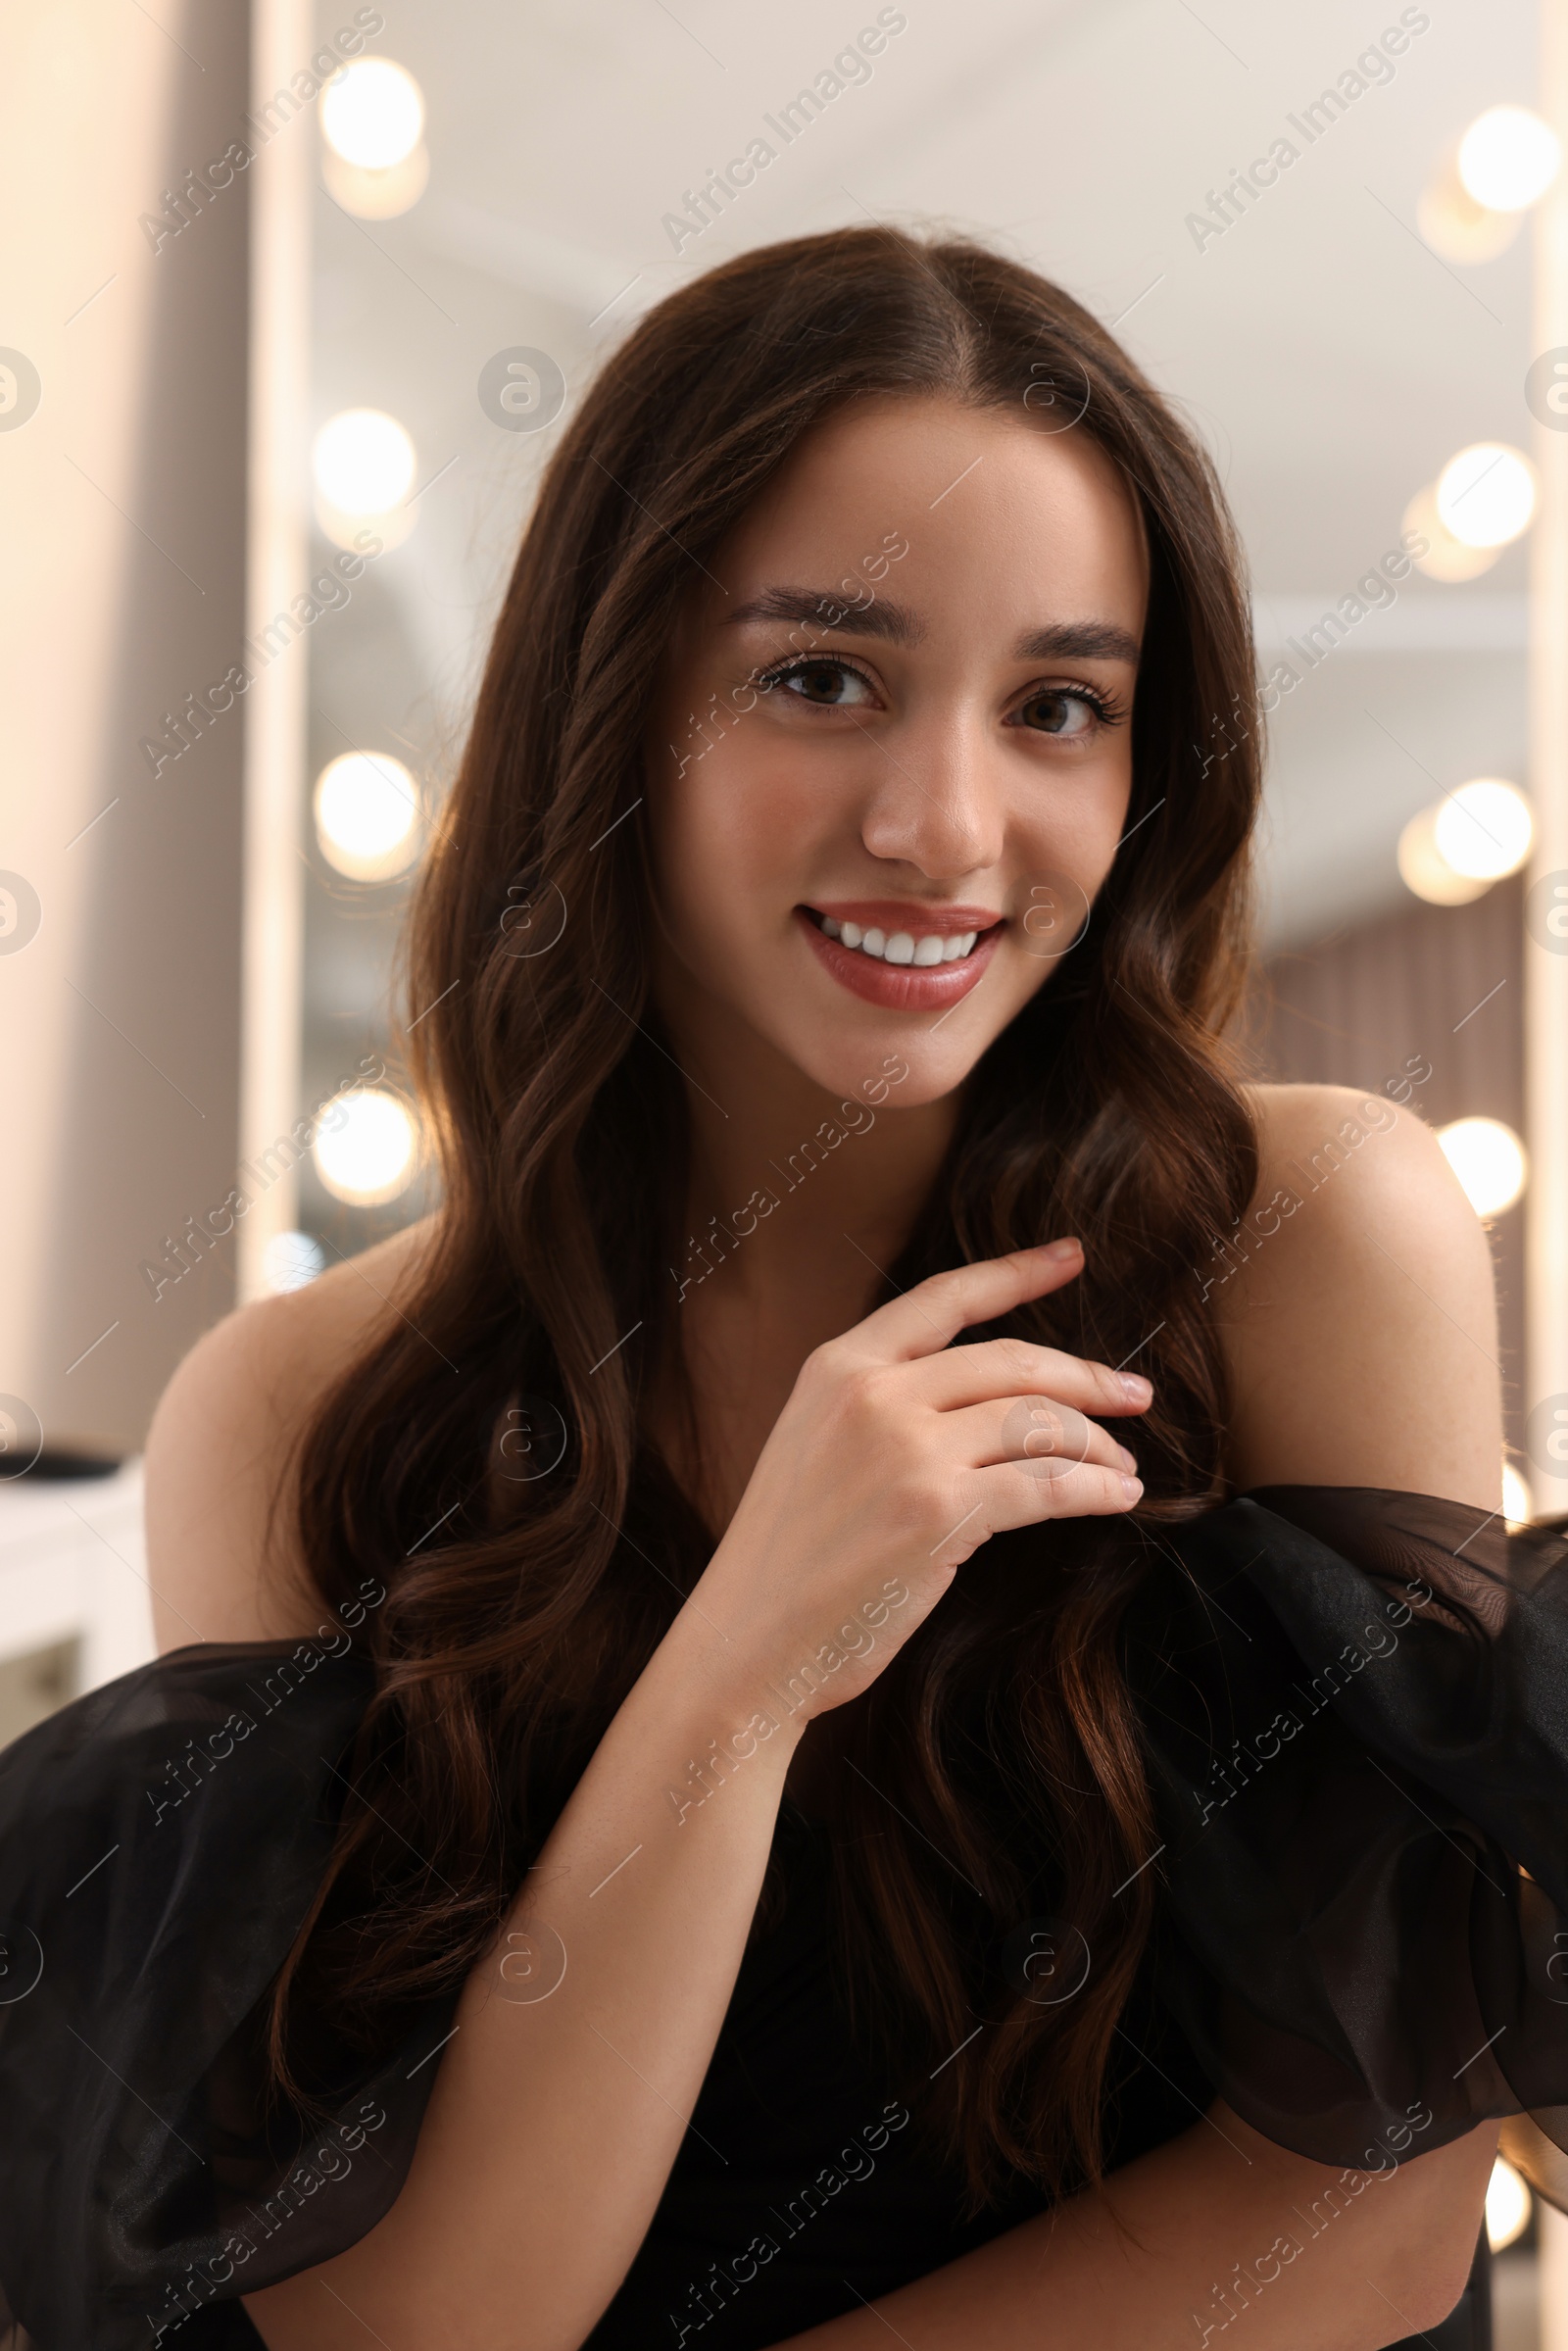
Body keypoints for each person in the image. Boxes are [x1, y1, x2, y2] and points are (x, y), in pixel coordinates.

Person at [1, 226, 1560, 2351]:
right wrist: (736, 1677)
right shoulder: (299, 1411)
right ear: (608, 703)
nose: (943, 823)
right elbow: (397, 2333)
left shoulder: (1299, 1237)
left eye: (1057, 709)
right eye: (819, 676)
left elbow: (1357, 2225)